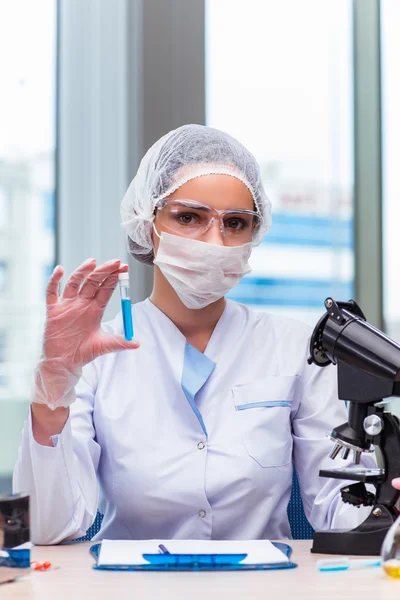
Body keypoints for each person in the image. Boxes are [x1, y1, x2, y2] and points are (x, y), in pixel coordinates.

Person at [13, 124, 375, 545]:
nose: (214, 241)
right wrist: (54, 385)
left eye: (235, 223)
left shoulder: (298, 349)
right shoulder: (95, 357)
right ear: (148, 224)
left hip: (264, 588)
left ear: (253, 236)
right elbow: (48, 527)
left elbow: (341, 511)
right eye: (189, 217)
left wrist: (388, 499)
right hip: (129, 589)